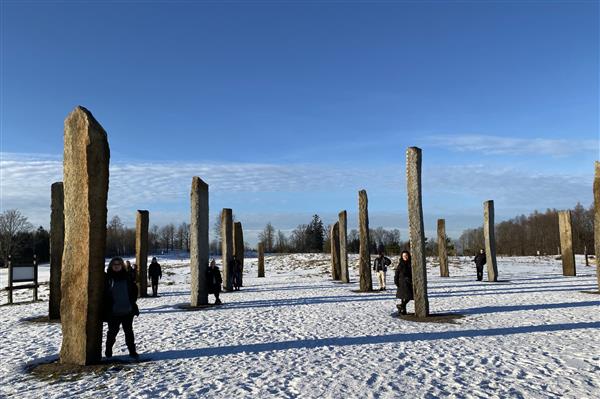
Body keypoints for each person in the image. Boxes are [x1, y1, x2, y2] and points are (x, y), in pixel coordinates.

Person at [103, 256, 139, 359]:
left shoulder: (127, 276)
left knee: (129, 332)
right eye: (115, 264)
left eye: (119, 264)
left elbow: (134, 290)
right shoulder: (107, 278)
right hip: (113, 311)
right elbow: (104, 294)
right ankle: (108, 350)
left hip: (127, 310)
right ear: (111, 265)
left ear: (122, 265)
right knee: (112, 332)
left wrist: (132, 303)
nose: (117, 266)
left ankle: (132, 351)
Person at [394, 250, 413, 315]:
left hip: (408, 282)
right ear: (402, 256)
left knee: (409, 296)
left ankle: (401, 306)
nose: (405, 257)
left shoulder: (411, 263)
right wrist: (396, 281)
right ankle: (403, 310)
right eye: (404, 256)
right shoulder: (400, 264)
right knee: (403, 297)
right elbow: (397, 273)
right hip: (401, 283)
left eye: (406, 255)